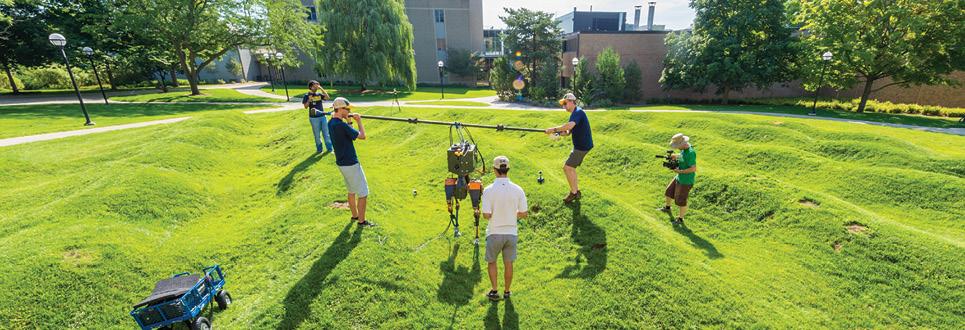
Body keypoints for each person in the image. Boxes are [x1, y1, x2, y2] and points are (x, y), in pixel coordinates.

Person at [481, 156, 528, 301]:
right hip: (511, 233)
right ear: (508, 169)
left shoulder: (488, 190)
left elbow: (486, 215)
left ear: (495, 170)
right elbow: (524, 214)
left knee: (492, 262)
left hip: (494, 232)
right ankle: (507, 292)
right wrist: (511, 214)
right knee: (509, 263)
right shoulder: (518, 189)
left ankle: (494, 291)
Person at [328, 97, 374, 227]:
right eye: (347, 109)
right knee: (363, 193)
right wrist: (359, 121)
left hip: (342, 163)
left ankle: (355, 215)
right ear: (341, 109)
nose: (349, 111)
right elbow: (362, 136)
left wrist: (348, 120)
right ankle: (362, 221)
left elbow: (349, 135)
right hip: (351, 163)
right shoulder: (341, 125)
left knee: (351, 190)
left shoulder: (331, 123)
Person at [544, 93, 593, 203]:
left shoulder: (578, 112)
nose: (564, 106)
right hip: (580, 146)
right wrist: (558, 134)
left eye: (565, 103)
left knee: (567, 168)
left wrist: (553, 129)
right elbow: (567, 132)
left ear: (572, 101)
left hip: (582, 147)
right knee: (571, 168)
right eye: (563, 104)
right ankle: (576, 191)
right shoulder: (575, 114)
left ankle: (573, 193)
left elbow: (569, 125)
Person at [659, 133, 697, 225]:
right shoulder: (684, 149)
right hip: (679, 177)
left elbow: (693, 168)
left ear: (683, 144)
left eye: (678, 146)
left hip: (686, 181)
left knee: (681, 200)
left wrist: (679, 171)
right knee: (669, 191)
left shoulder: (691, 153)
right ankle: (667, 208)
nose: (677, 148)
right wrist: (675, 156)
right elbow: (682, 156)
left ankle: (680, 219)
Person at [302, 80, 333, 153]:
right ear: (311, 87)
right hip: (314, 118)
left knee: (326, 134)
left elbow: (327, 97)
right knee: (317, 135)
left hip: (323, 116)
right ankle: (319, 150)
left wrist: (321, 88)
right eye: (316, 84)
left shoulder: (319, 94)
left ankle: (330, 149)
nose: (317, 85)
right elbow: (305, 106)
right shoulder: (306, 96)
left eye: (317, 84)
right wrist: (309, 100)